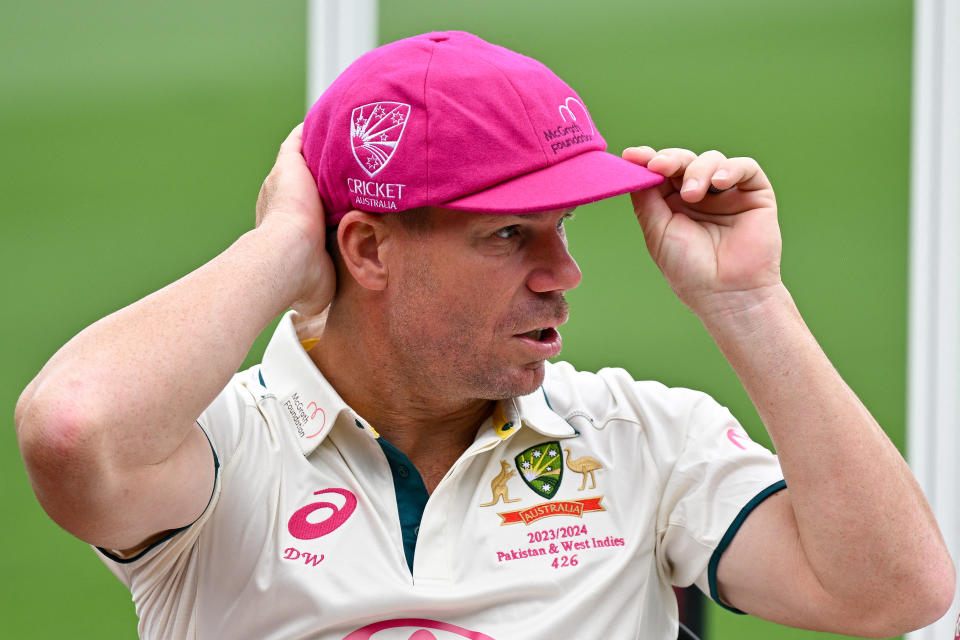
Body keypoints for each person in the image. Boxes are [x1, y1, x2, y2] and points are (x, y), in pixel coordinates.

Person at [14, 30, 954, 639]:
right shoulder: (223, 453)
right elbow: (70, 430)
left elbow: (891, 592)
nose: (563, 273)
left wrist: (749, 303)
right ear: (368, 250)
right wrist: (281, 250)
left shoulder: (639, 440)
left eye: (562, 228)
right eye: (510, 235)